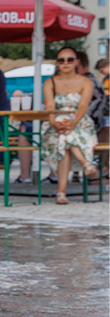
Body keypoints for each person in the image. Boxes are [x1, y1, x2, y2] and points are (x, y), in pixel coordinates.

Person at [40, 47, 98, 205]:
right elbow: (50, 105)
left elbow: (83, 105)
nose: (65, 63)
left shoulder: (86, 81)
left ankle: (61, 192)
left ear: (77, 62)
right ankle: (86, 164)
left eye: (70, 60)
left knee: (63, 140)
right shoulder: (50, 82)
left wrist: (73, 122)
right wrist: (54, 122)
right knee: (63, 138)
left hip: (80, 122)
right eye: (61, 60)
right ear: (57, 63)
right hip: (56, 122)